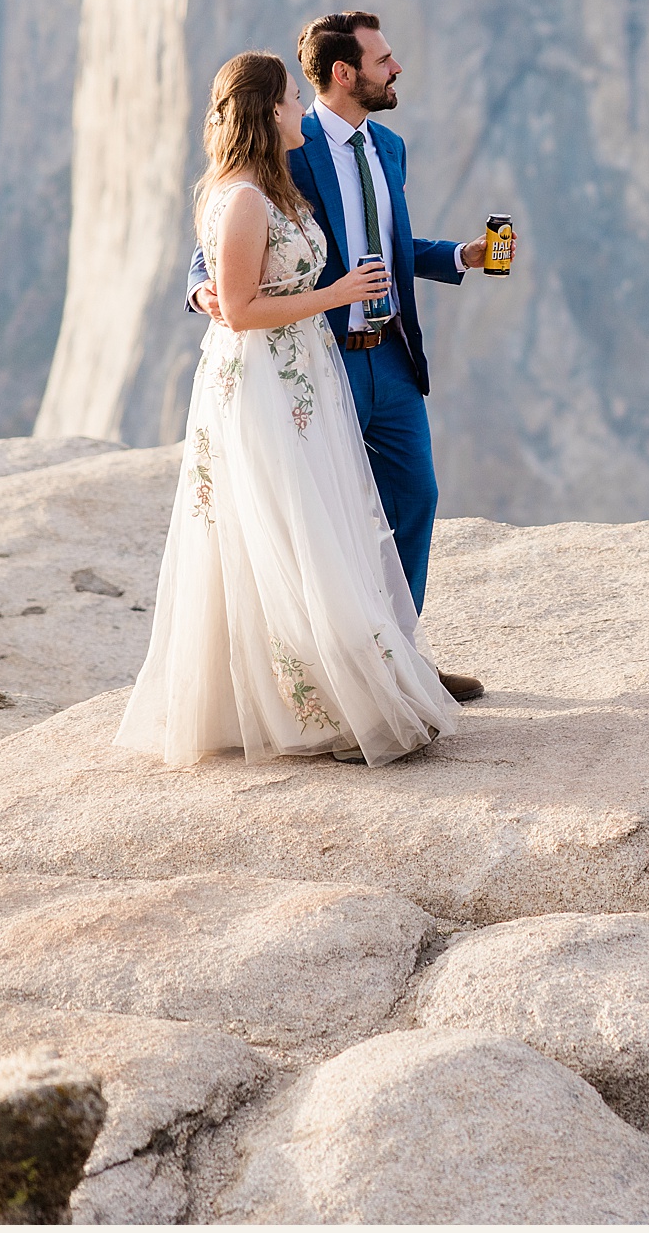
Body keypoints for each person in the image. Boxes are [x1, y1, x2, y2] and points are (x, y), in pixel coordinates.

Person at [117, 51, 460, 766]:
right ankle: (330, 694)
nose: (301, 110)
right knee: (291, 528)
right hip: (268, 384)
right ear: (268, 111)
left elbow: (386, 246)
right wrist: (329, 295)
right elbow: (234, 298)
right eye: (288, 102)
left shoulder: (288, 177)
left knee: (325, 522)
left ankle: (382, 661)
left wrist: (459, 257)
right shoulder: (247, 194)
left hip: (308, 373)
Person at [185, 10, 487, 702]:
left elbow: (387, 249)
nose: (397, 68)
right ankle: (338, 675)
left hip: (392, 356)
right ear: (344, 72)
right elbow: (223, 235)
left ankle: (398, 657)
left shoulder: (391, 147)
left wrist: (459, 258)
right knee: (330, 517)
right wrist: (203, 291)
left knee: (416, 498)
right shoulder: (284, 144)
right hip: (322, 361)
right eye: (384, 59)